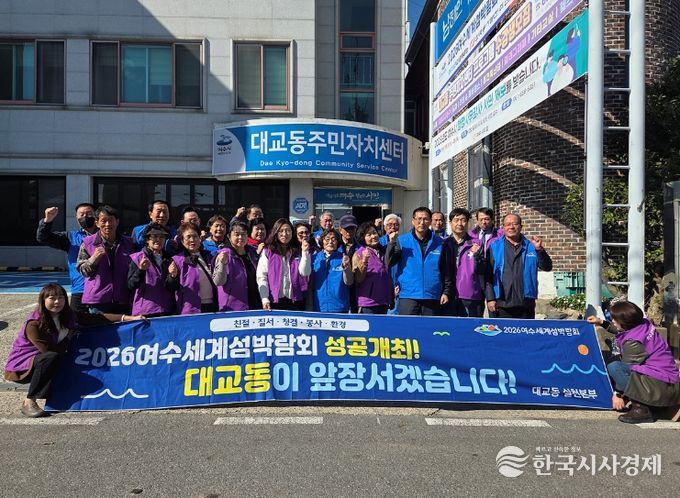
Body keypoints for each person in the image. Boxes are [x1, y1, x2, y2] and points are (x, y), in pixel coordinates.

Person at [4, 284, 143, 417]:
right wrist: (69, 336)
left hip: (50, 360)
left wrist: (127, 318)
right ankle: (29, 401)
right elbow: (49, 351)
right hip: (23, 366)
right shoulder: (34, 324)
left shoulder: (68, 315)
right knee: (50, 357)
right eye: (52, 298)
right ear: (43, 300)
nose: (57, 302)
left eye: (61, 297)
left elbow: (96, 318)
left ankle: (56, 394)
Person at [587, 301, 680, 424]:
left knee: (615, 367)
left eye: (615, 319)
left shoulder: (634, 342)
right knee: (619, 365)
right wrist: (601, 322)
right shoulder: (643, 324)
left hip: (663, 388)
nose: (612, 321)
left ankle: (641, 409)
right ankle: (650, 405)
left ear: (625, 322)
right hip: (668, 381)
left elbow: (626, 371)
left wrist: (618, 394)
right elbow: (621, 330)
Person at [485, 213, 552, 319]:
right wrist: (490, 298)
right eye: (508, 224)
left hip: (525, 303)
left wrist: (539, 250)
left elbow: (547, 267)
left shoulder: (531, 246)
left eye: (515, 224)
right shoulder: (494, 247)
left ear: (521, 226)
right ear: (503, 227)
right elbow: (488, 275)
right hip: (501, 303)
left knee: (525, 330)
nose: (511, 227)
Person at [36, 203, 98, 313]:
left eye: (89, 213)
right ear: (76, 217)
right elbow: (43, 237)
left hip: (101, 288)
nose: (85, 217)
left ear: (96, 215)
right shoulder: (70, 237)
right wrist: (47, 221)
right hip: (80, 289)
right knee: (76, 321)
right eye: (81, 214)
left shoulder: (105, 235)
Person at [76, 205, 134, 314]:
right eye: (103, 221)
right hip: (98, 301)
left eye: (111, 220)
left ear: (117, 222)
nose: (107, 224)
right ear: (97, 223)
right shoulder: (88, 243)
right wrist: (93, 259)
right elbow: (82, 271)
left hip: (123, 299)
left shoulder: (129, 243)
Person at [386, 207, 443, 316]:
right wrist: (391, 244)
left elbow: (445, 269)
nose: (422, 222)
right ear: (413, 221)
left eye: (425, 219)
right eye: (419, 219)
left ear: (430, 221)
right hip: (408, 295)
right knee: (408, 327)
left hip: (432, 294)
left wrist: (445, 291)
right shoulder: (402, 241)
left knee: (430, 326)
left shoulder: (440, 243)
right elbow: (389, 262)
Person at [256, 218, 311, 311]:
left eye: (288, 230)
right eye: (281, 231)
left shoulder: (298, 250)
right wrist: (264, 298)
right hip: (274, 300)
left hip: (295, 300)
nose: (284, 234)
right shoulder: (268, 251)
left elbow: (304, 272)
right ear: (276, 232)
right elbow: (262, 276)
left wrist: (305, 253)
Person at [439, 209, 484, 317]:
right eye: (456, 220)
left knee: (470, 326)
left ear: (468, 222)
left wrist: (477, 256)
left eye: (463, 220)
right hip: (448, 293)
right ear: (450, 222)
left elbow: (483, 269)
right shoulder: (443, 244)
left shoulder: (476, 243)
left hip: (469, 294)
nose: (460, 223)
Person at [167, 223, 217, 314]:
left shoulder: (209, 256)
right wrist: (172, 276)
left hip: (212, 306)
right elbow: (171, 287)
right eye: (188, 237)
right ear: (182, 240)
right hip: (190, 308)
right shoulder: (177, 260)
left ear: (200, 238)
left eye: (195, 236)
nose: (192, 240)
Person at [127, 224, 175, 317]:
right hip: (145, 310)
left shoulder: (170, 259)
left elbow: (172, 287)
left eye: (162, 237)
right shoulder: (137, 258)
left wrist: (172, 276)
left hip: (166, 309)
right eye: (154, 236)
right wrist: (140, 270)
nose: (158, 240)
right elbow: (131, 285)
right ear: (147, 240)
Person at [213, 221, 262, 311]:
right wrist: (222, 264)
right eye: (237, 234)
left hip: (255, 303)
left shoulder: (253, 252)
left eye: (243, 234)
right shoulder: (224, 254)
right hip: (232, 306)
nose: (240, 237)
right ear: (229, 236)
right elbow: (218, 282)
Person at [353, 222, 392, 314]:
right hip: (368, 303)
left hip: (383, 301)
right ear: (363, 238)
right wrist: (364, 261)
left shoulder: (383, 252)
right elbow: (358, 278)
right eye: (369, 235)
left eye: (374, 233)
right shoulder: (359, 253)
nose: (373, 236)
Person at [312, 229, 353, 313]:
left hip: (340, 306)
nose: (330, 242)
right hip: (319, 306)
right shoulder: (314, 258)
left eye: (333, 239)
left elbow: (349, 281)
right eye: (327, 239)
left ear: (337, 242)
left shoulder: (343, 258)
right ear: (322, 241)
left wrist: (346, 267)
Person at [379, 213, 402, 315]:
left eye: (396, 224)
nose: (393, 227)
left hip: (399, 284)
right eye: (389, 225)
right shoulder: (379, 242)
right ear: (384, 227)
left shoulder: (403, 241)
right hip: (382, 285)